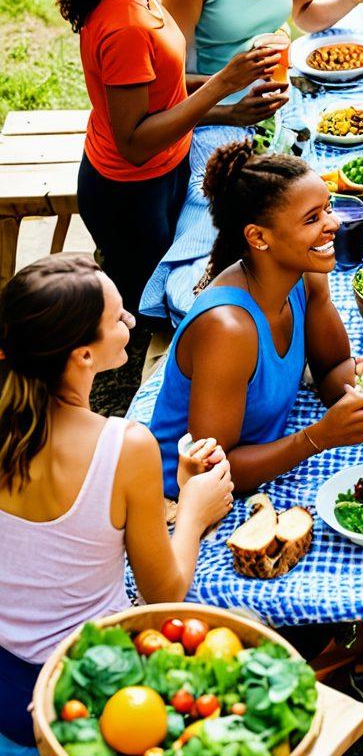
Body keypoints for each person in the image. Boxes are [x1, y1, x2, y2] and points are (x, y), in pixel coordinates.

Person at [146, 142, 363, 716]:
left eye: (328, 209)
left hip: (267, 455)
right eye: (314, 217)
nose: (333, 225)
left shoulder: (304, 275)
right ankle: (330, 664)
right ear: (259, 237)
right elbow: (211, 473)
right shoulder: (228, 327)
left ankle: (361, 650)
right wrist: (321, 435)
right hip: (192, 499)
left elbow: (330, 370)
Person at [141, 0, 363, 324]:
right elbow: (166, 80)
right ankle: (195, 305)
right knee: (220, 215)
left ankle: (285, 294)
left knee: (317, 188)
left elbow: (305, 13)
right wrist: (230, 98)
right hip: (208, 110)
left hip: (272, 101)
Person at [0, 255, 232, 747]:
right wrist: (193, 507)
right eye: (119, 318)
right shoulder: (126, 446)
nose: (131, 322)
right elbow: (165, 592)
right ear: (84, 355)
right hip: (87, 689)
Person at [51, 0, 281, 319]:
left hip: (167, 170)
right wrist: (222, 84)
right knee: (154, 311)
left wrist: (231, 110)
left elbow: (164, 92)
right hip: (131, 194)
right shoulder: (124, 27)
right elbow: (135, 143)